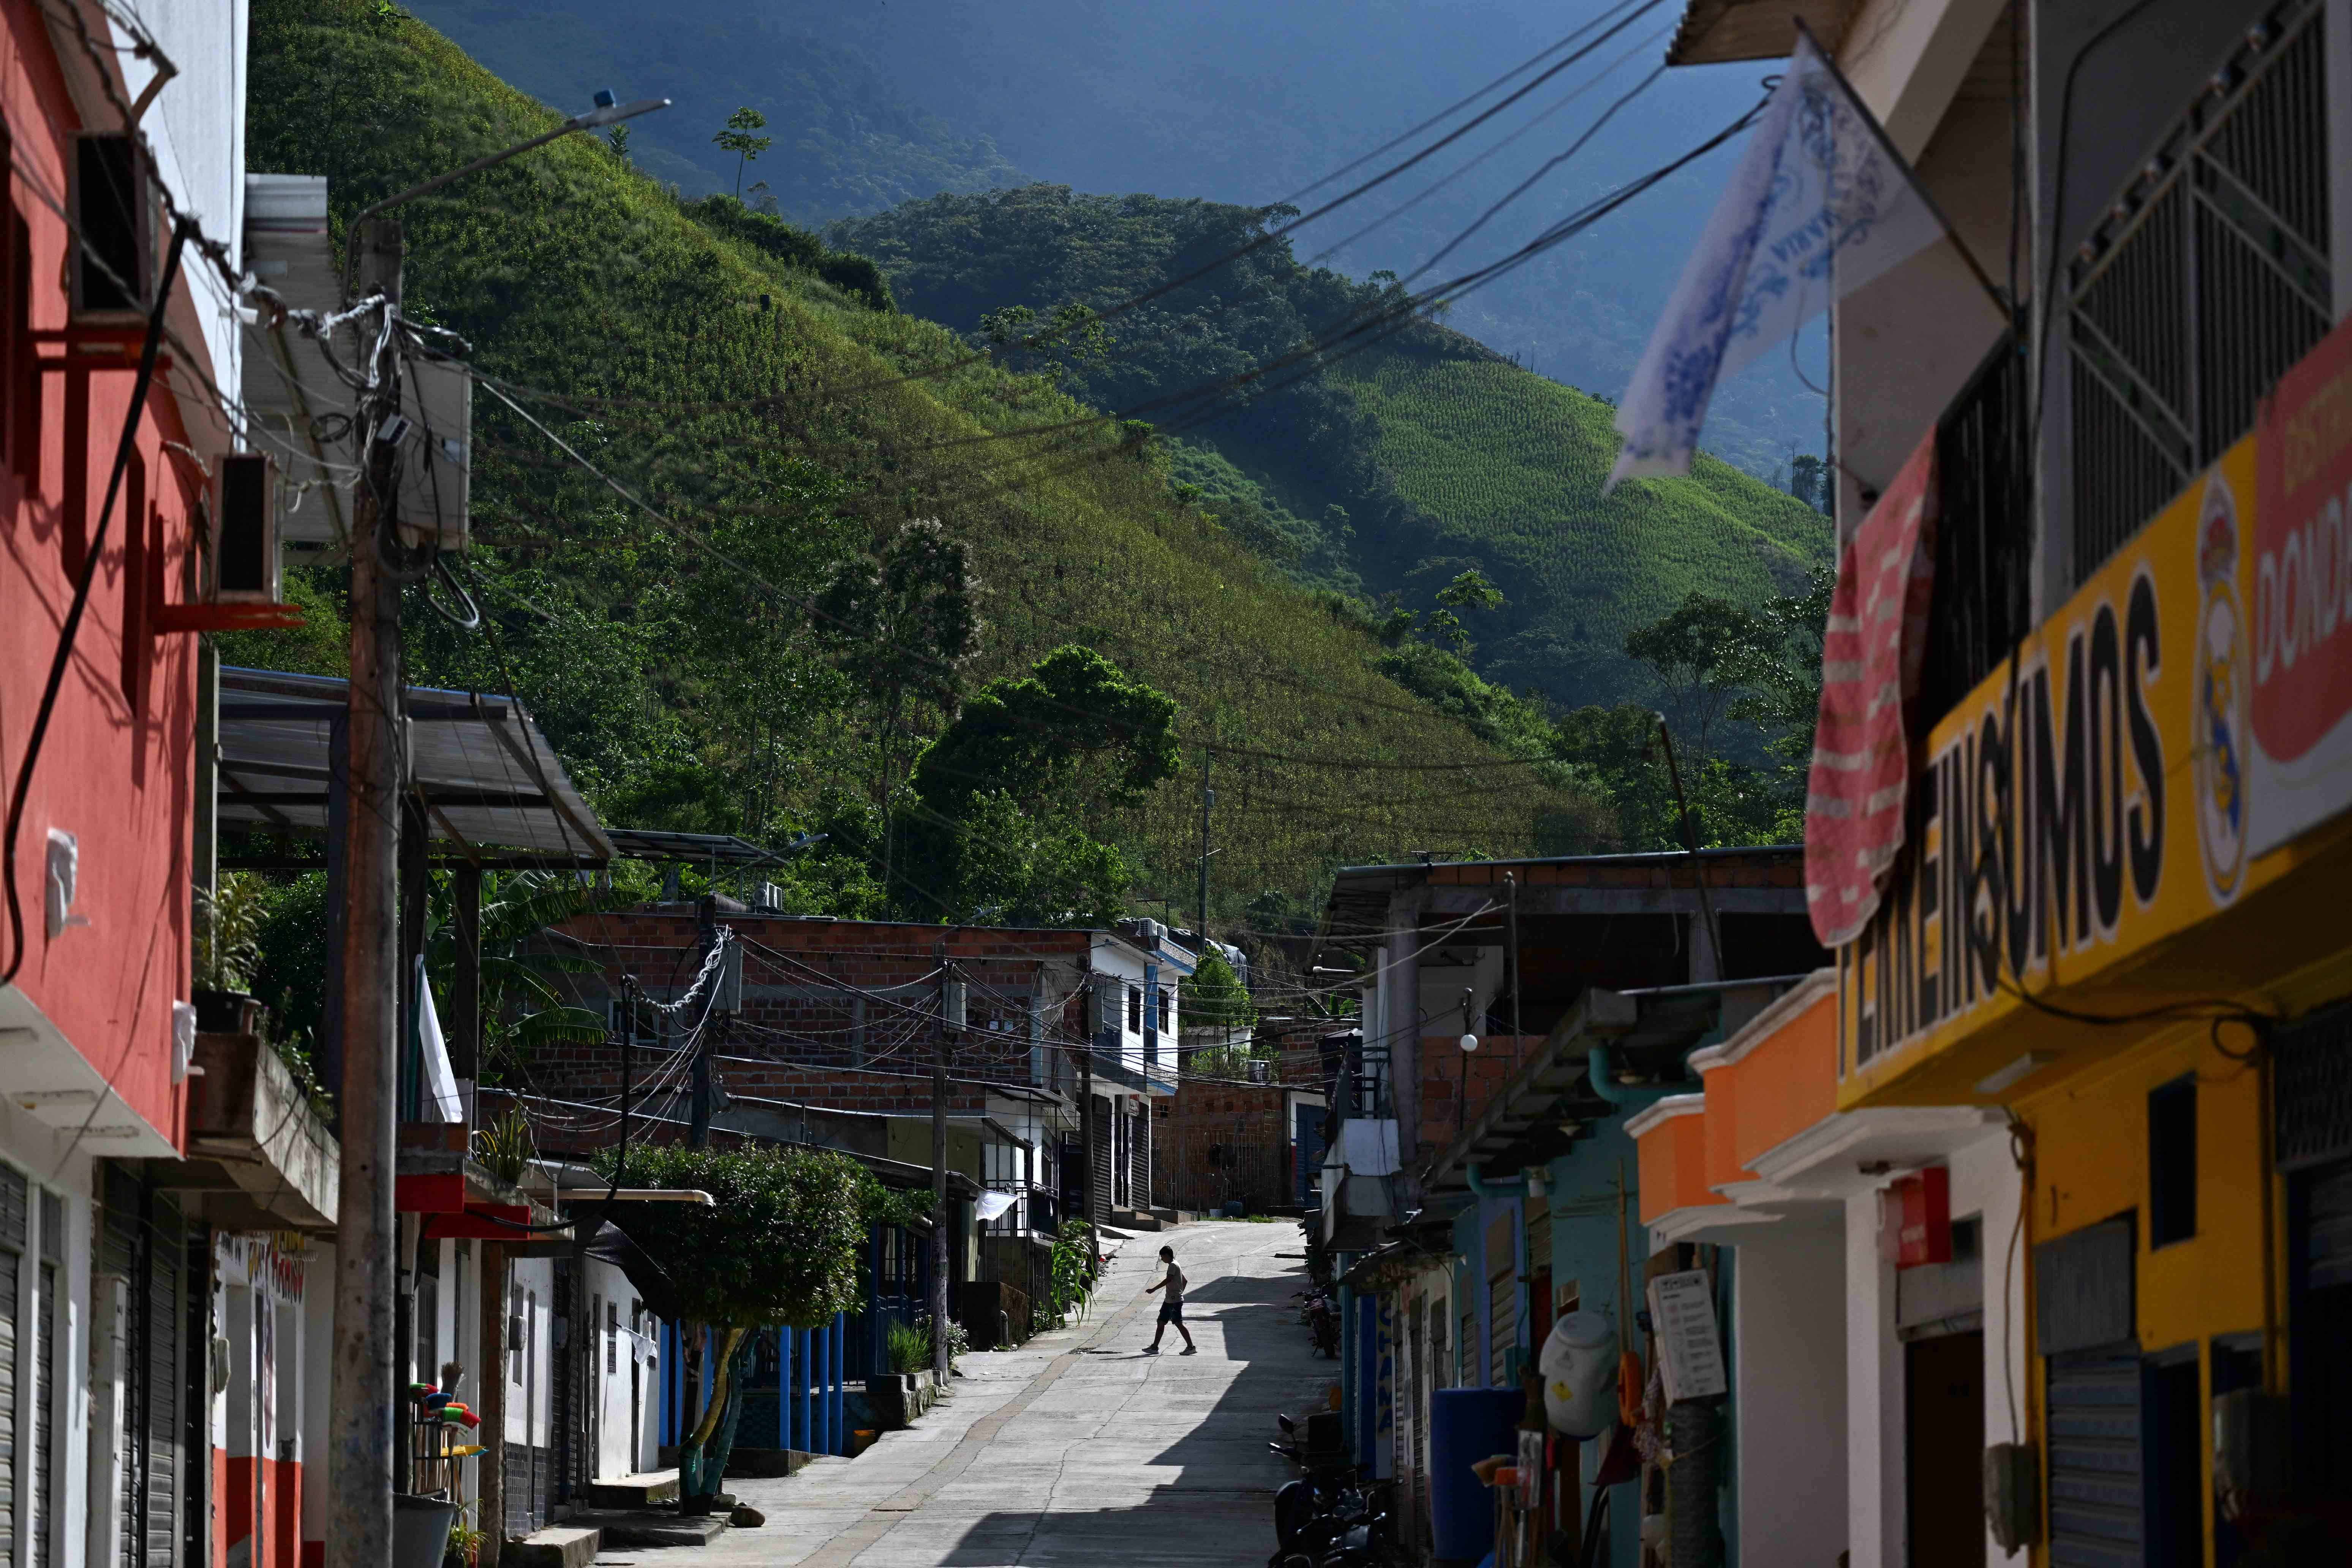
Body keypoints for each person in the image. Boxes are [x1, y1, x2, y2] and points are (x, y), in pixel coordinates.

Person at [1143, 1244, 1197, 1355]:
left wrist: (1154, 1289)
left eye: (1163, 1257)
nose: (1162, 1259)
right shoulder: (1176, 1264)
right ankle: (1154, 1347)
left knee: (1178, 1323)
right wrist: (1179, 1292)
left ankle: (1191, 1347)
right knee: (1161, 1322)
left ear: (1167, 1255)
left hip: (1174, 1301)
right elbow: (1185, 1281)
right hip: (1170, 1300)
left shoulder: (1173, 1265)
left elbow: (1169, 1280)